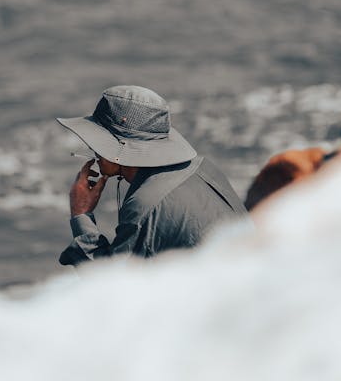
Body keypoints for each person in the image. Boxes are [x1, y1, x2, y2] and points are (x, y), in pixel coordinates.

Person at [57, 85, 248, 266]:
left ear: (119, 146)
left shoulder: (145, 206)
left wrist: (81, 213)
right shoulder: (203, 167)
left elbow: (113, 286)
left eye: (98, 143)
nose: (93, 149)